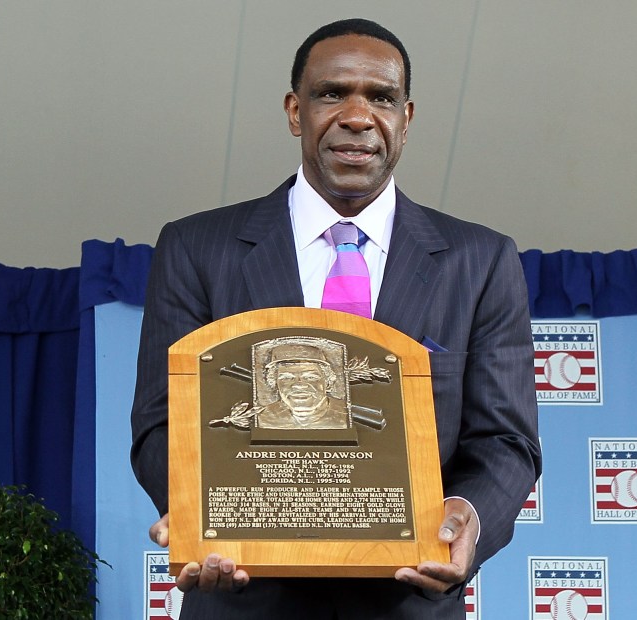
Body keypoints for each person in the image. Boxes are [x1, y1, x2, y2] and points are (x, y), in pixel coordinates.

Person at [129, 17, 542, 618]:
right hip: (245, 599)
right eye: (332, 94)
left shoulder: (481, 261)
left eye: (380, 97)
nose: (356, 116)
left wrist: (469, 518)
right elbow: (160, 422)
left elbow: (505, 439)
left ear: (407, 117)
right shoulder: (197, 247)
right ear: (296, 112)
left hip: (408, 601)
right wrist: (200, 520)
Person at [254, 340, 350, 430]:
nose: (299, 385)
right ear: (275, 384)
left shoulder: (347, 414)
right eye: (287, 378)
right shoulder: (262, 417)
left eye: (310, 377)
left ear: (328, 383)